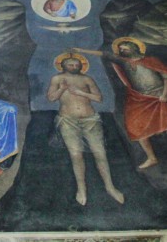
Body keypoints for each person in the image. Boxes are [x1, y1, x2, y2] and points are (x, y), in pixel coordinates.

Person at [76, 38, 167, 172]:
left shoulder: (151, 60)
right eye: (120, 49)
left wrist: (165, 94)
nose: (122, 51)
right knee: (136, 127)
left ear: (134, 48)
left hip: (160, 97)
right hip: (140, 99)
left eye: (125, 48)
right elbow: (105, 54)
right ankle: (151, 157)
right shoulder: (124, 62)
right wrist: (82, 51)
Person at [46, 53, 125, 205]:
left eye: (77, 65)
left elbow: (99, 98)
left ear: (81, 66)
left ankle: (110, 187)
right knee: (76, 155)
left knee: (100, 153)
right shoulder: (57, 79)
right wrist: (62, 88)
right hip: (67, 120)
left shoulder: (87, 79)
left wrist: (81, 92)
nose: (74, 67)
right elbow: (51, 98)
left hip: (91, 120)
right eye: (70, 64)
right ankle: (81, 189)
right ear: (63, 66)